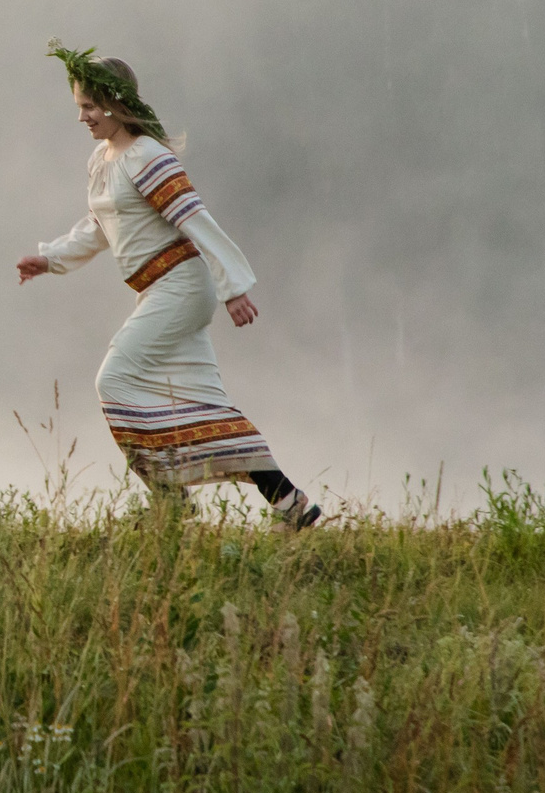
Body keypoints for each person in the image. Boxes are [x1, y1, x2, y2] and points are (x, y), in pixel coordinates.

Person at [16, 44, 319, 528]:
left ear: (115, 103)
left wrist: (234, 288)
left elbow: (195, 220)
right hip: (157, 290)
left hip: (181, 286)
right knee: (206, 405)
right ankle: (292, 506)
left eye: (89, 107)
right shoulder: (102, 160)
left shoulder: (147, 157)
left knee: (114, 379)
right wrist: (50, 259)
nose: (82, 117)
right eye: (79, 107)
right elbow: (98, 227)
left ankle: (170, 502)